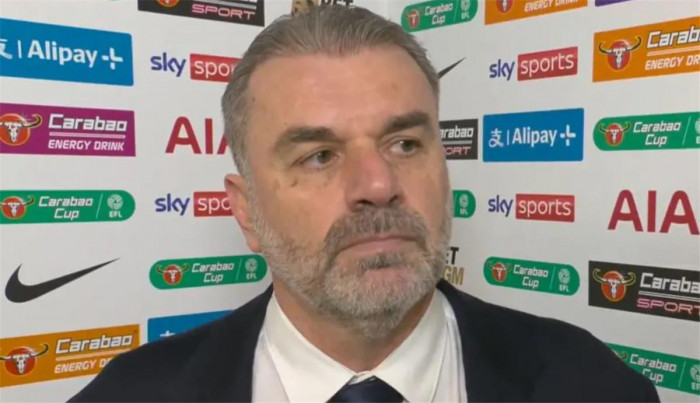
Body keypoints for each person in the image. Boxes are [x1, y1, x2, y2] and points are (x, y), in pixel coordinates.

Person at [69, 4, 660, 402]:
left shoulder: (594, 386)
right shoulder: (129, 396)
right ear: (246, 211)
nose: (378, 185)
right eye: (319, 156)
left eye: (405, 143)